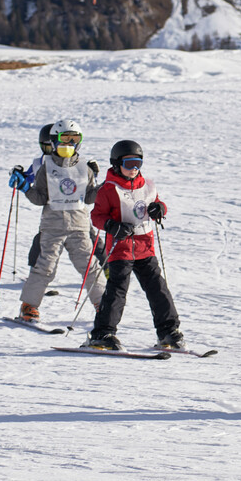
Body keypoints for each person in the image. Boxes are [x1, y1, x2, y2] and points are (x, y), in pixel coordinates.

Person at [83, 140, 183, 351]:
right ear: (117, 164)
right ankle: (102, 333)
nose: (134, 169)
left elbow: (158, 203)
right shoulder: (108, 189)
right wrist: (111, 225)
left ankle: (168, 331)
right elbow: (96, 216)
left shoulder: (148, 185)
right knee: (117, 291)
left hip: (145, 247)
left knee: (158, 288)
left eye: (138, 163)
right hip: (120, 248)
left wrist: (159, 208)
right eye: (129, 164)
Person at [9, 120, 104, 322]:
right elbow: (40, 198)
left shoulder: (84, 168)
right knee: (45, 266)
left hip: (79, 225)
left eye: (74, 139)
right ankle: (29, 306)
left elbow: (88, 197)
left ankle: (102, 304)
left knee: (89, 266)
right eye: (64, 139)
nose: (69, 144)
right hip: (53, 225)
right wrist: (26, 188)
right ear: (54, 141)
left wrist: (103, 189)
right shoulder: (46, 167)